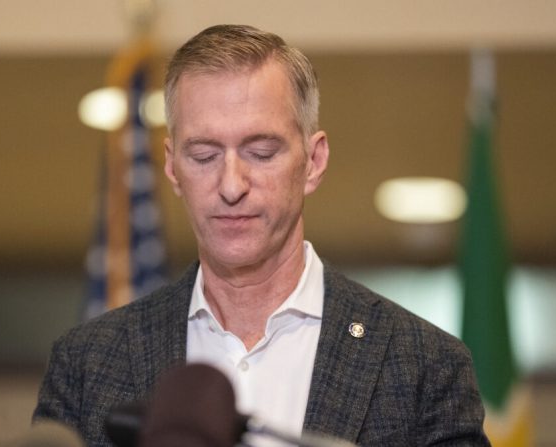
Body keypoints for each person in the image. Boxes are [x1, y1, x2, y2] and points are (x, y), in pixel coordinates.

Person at [34, 24, 489, 446]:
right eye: (204, 155)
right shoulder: (87, 364)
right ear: (171, 166)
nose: (232, 185)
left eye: (261, 151)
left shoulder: (424, 366)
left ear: (314, 161)